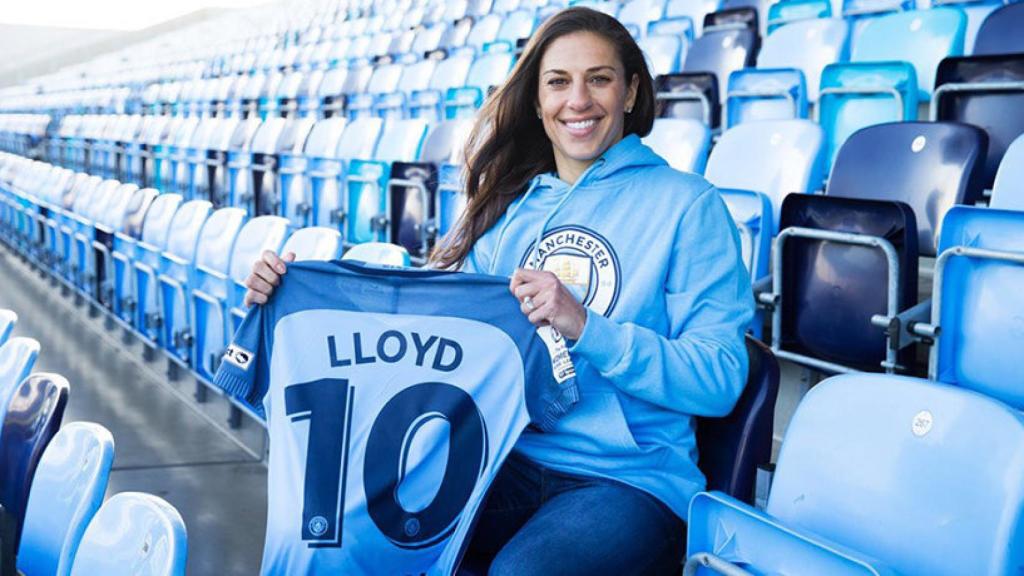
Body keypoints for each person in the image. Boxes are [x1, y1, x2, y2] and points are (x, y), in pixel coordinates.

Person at [244, 7, 753, 575]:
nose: (578, 100)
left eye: (600, 78)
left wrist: (586, 328)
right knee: (346, 522)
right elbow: (436, 328)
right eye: (558, 82)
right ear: (537, 102)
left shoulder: (689, 205)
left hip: (627, 480)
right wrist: (304, 294)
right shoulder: (508, 208)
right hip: (500, 458)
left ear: (631, 91)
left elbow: (720, 380)